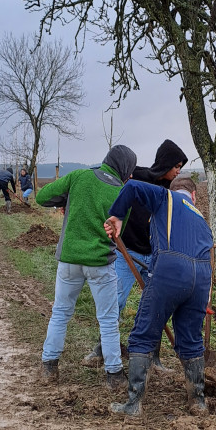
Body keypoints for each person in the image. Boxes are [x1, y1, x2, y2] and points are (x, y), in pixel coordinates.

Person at [104, 174, 213, 416]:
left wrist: (117, 216)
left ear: (175, 190)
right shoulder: (201, 219)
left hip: (172, 270)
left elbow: (132, 186)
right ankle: (198, 402)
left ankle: (133, 404)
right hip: (202, 278)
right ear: (194, 195)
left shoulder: (166, 197)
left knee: (143, 333)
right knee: (191, 339)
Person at [37, 145, 137, 389]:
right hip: (101, 264)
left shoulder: (79, 176)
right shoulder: (123, 194)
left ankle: (49, 366)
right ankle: (114, 375)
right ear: (124, 169)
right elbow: (119, 231)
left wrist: (66, 198)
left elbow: (42, 197)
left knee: (60, 312)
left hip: (69, 261)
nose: (131, 176)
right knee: (108, 319)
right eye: (130, 170)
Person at [83, 138, 188, 370]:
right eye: (175, 165)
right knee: (116, 300)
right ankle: (101, 349)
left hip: (154, 257)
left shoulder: (167, 192)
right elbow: (113, 186)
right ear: (165, 163)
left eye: (181, 166)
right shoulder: (136, 176)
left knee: (154, 307)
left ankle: (152, 357)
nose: (178, 170)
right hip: (127, 251)